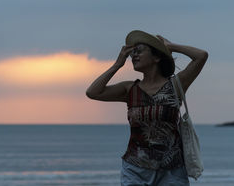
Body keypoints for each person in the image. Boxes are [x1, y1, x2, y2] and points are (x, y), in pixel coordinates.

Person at [86, 30, 208, 186]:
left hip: (171, 170)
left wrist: (170, 46)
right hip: (135, 169)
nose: (134, 56)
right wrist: (117, 64)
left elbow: (201, 56)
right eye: (132, 53)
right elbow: (93, 92)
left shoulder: (176, 86)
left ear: (156, 57)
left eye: (139, 51)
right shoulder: (130, 89)